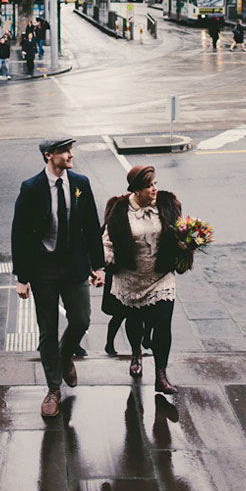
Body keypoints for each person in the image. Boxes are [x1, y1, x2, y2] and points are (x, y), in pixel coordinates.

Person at [12, 138, 105, 418]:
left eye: (70, 150)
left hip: (74, 265)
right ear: (48, 155)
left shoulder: (80, 183)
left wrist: (98, 266)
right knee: (47, 329)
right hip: (44, 270)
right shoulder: (31, 188)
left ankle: (65, 356)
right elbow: (20, 234)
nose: (70, 155)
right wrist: (22, 276)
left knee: (81, 319)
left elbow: (91, 225)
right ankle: (53, 389)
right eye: (65, 151)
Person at [102, 165, 189, 395]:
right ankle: (136, 353)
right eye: (150, 186)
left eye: (155, 184)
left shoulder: (167, 204)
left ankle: (161, 375)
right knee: (134, 323)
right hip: (130, 277)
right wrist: (106, 262)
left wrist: (187, 243)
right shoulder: (119, 208)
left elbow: (180, 232)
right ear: (137, 190)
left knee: (163, 325)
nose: (155, 189)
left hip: (160, 276)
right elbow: (107, 240)